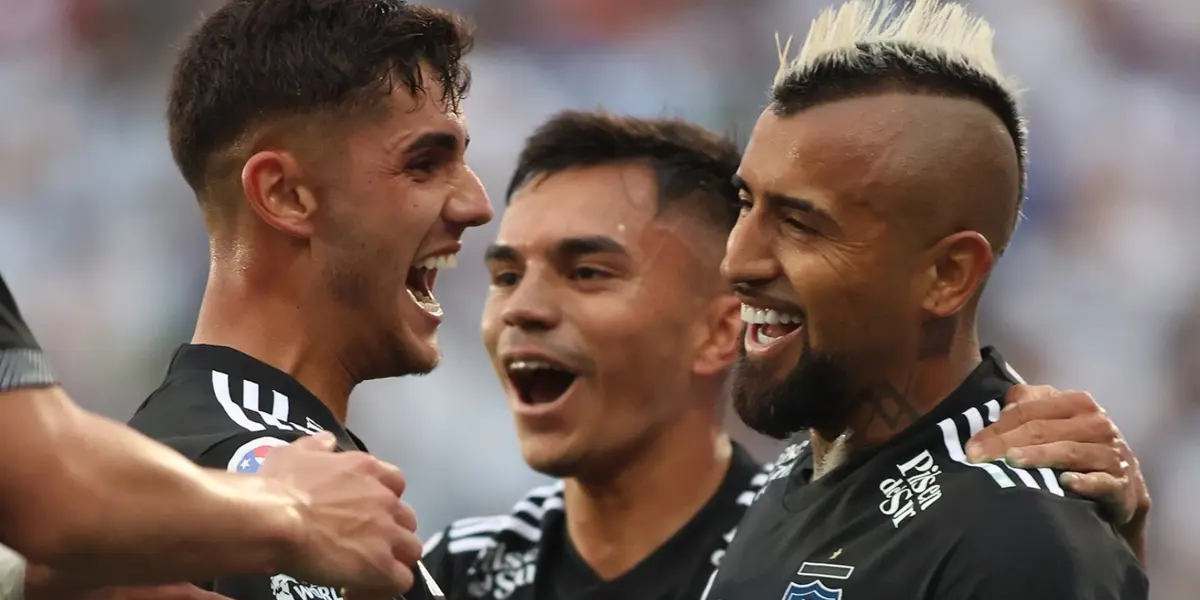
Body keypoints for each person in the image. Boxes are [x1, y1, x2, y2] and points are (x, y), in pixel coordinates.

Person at [418, 111, 1150, 600]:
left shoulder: (828, 546)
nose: (523, 309)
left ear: (722, 326)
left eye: (588, 273)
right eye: (506, 275)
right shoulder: (458, 570)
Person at [704, 1, 1148, 599]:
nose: (737, 261)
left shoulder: (1013, 543)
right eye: (745, 204)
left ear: (947, 274)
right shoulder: (793, 479)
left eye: (801, 225)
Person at [125, 0, 491, 599]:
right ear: (285, 194)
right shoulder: (245, 488)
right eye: (424, 164)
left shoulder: (271, 471)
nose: (476, 205)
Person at [0, 268, 422, 599]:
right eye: (419, 167)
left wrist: (35, 583)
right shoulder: (220, 442)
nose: (474, 205)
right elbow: (50, 480)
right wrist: (291, 508)